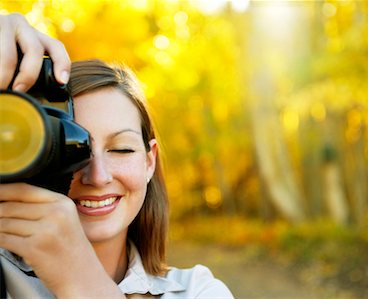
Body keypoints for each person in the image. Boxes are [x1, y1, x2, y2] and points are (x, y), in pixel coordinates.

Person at [0, 13, 234, 298]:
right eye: (72, 149)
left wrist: (77, 275)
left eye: (121, 149)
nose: (98, 176)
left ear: (150, 161)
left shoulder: (196, 291)